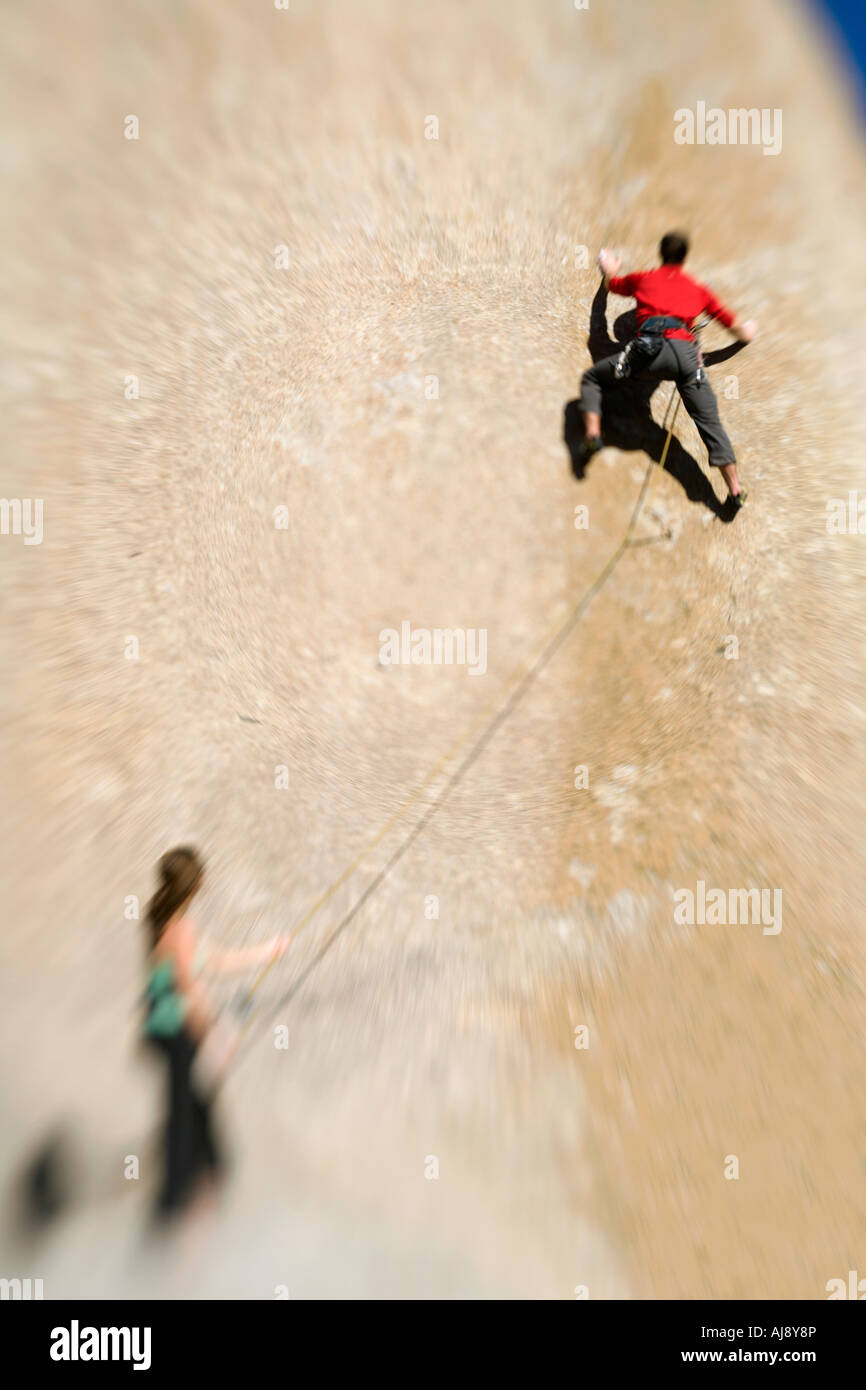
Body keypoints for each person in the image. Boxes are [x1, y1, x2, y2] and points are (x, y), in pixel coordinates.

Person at [143, 847, 290, 1220]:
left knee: (195, 1108)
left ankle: (207, 1181)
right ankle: (173, 1209)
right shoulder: (180, 929)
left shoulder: (161, 916)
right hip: (175, 1030)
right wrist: (212, 1035)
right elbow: (187, 987)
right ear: (195, 885)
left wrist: (267, 951)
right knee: (189, 1117)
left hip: (162, 1025)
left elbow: (216, 960)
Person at [575, 230, 758, 507]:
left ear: (661, 253)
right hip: (685, 357)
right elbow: (734, 327)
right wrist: (747, 332)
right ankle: (735, 489)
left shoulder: (644, 279)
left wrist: (609, 270)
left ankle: (593, 435)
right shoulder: (699, 290)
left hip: (646, 353)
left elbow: (611, 288)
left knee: (592, 378)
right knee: (710, 423)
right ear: (684, 258)